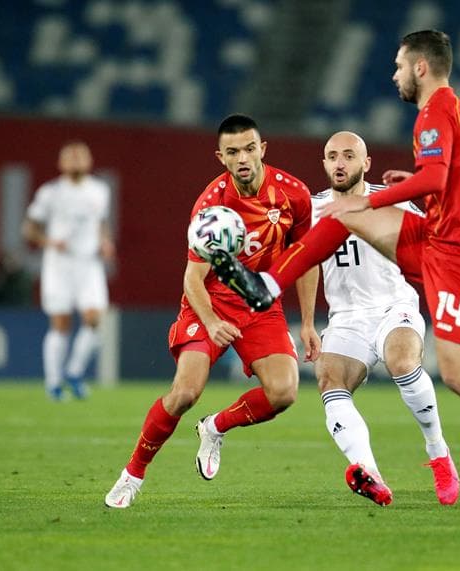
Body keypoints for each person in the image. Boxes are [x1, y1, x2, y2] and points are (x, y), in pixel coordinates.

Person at [211, 31, 460, 522]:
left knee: (459, 373)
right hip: (441, 237)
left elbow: (438, 177)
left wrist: (396, 195)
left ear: (421, 67)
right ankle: (267, 287)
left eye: (400, 66)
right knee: (342, 213)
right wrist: (424, 195)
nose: (395, 74)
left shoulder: (434, 112)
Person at [104, 114, 319, 509]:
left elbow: (306, 258)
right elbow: (192, 277)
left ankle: (215, 427)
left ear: (262, 149)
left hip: (260, 305)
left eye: (249, 149)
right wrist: (212, 321)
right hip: (210, 301)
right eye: (233, 152)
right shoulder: (211, 205)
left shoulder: (295, 194)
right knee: (185, 393)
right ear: (220, 157)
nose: (243, 158)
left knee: (284, 392)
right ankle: (132, 475)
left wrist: (307, 322)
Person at [307, 131, 459, 507]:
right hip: (346, 319)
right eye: (332, 156)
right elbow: (304, 264)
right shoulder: (311, 209)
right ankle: (370, 473)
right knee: (329, 379)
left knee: (402, 361)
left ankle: (438, 451)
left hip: (394, 306)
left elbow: (435, 243)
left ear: (366, 163)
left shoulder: (393, 200)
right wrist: (308, 323)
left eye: (349, 155)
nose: (340, 163)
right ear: (324, 163)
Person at [22, 141, 115, 401]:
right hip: (59, 265)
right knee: (61, 323)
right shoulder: (50, 193)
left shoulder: (100, 190)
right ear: (61, 163)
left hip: (89, 263)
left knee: (94, 318)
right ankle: (53, 382)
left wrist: (105, 242)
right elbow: (29, 228)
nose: (76, 161)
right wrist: (49, 241)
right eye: (70, 157)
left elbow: (101, 223)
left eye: (80, 156)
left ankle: (73, 373)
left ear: (89, 161)